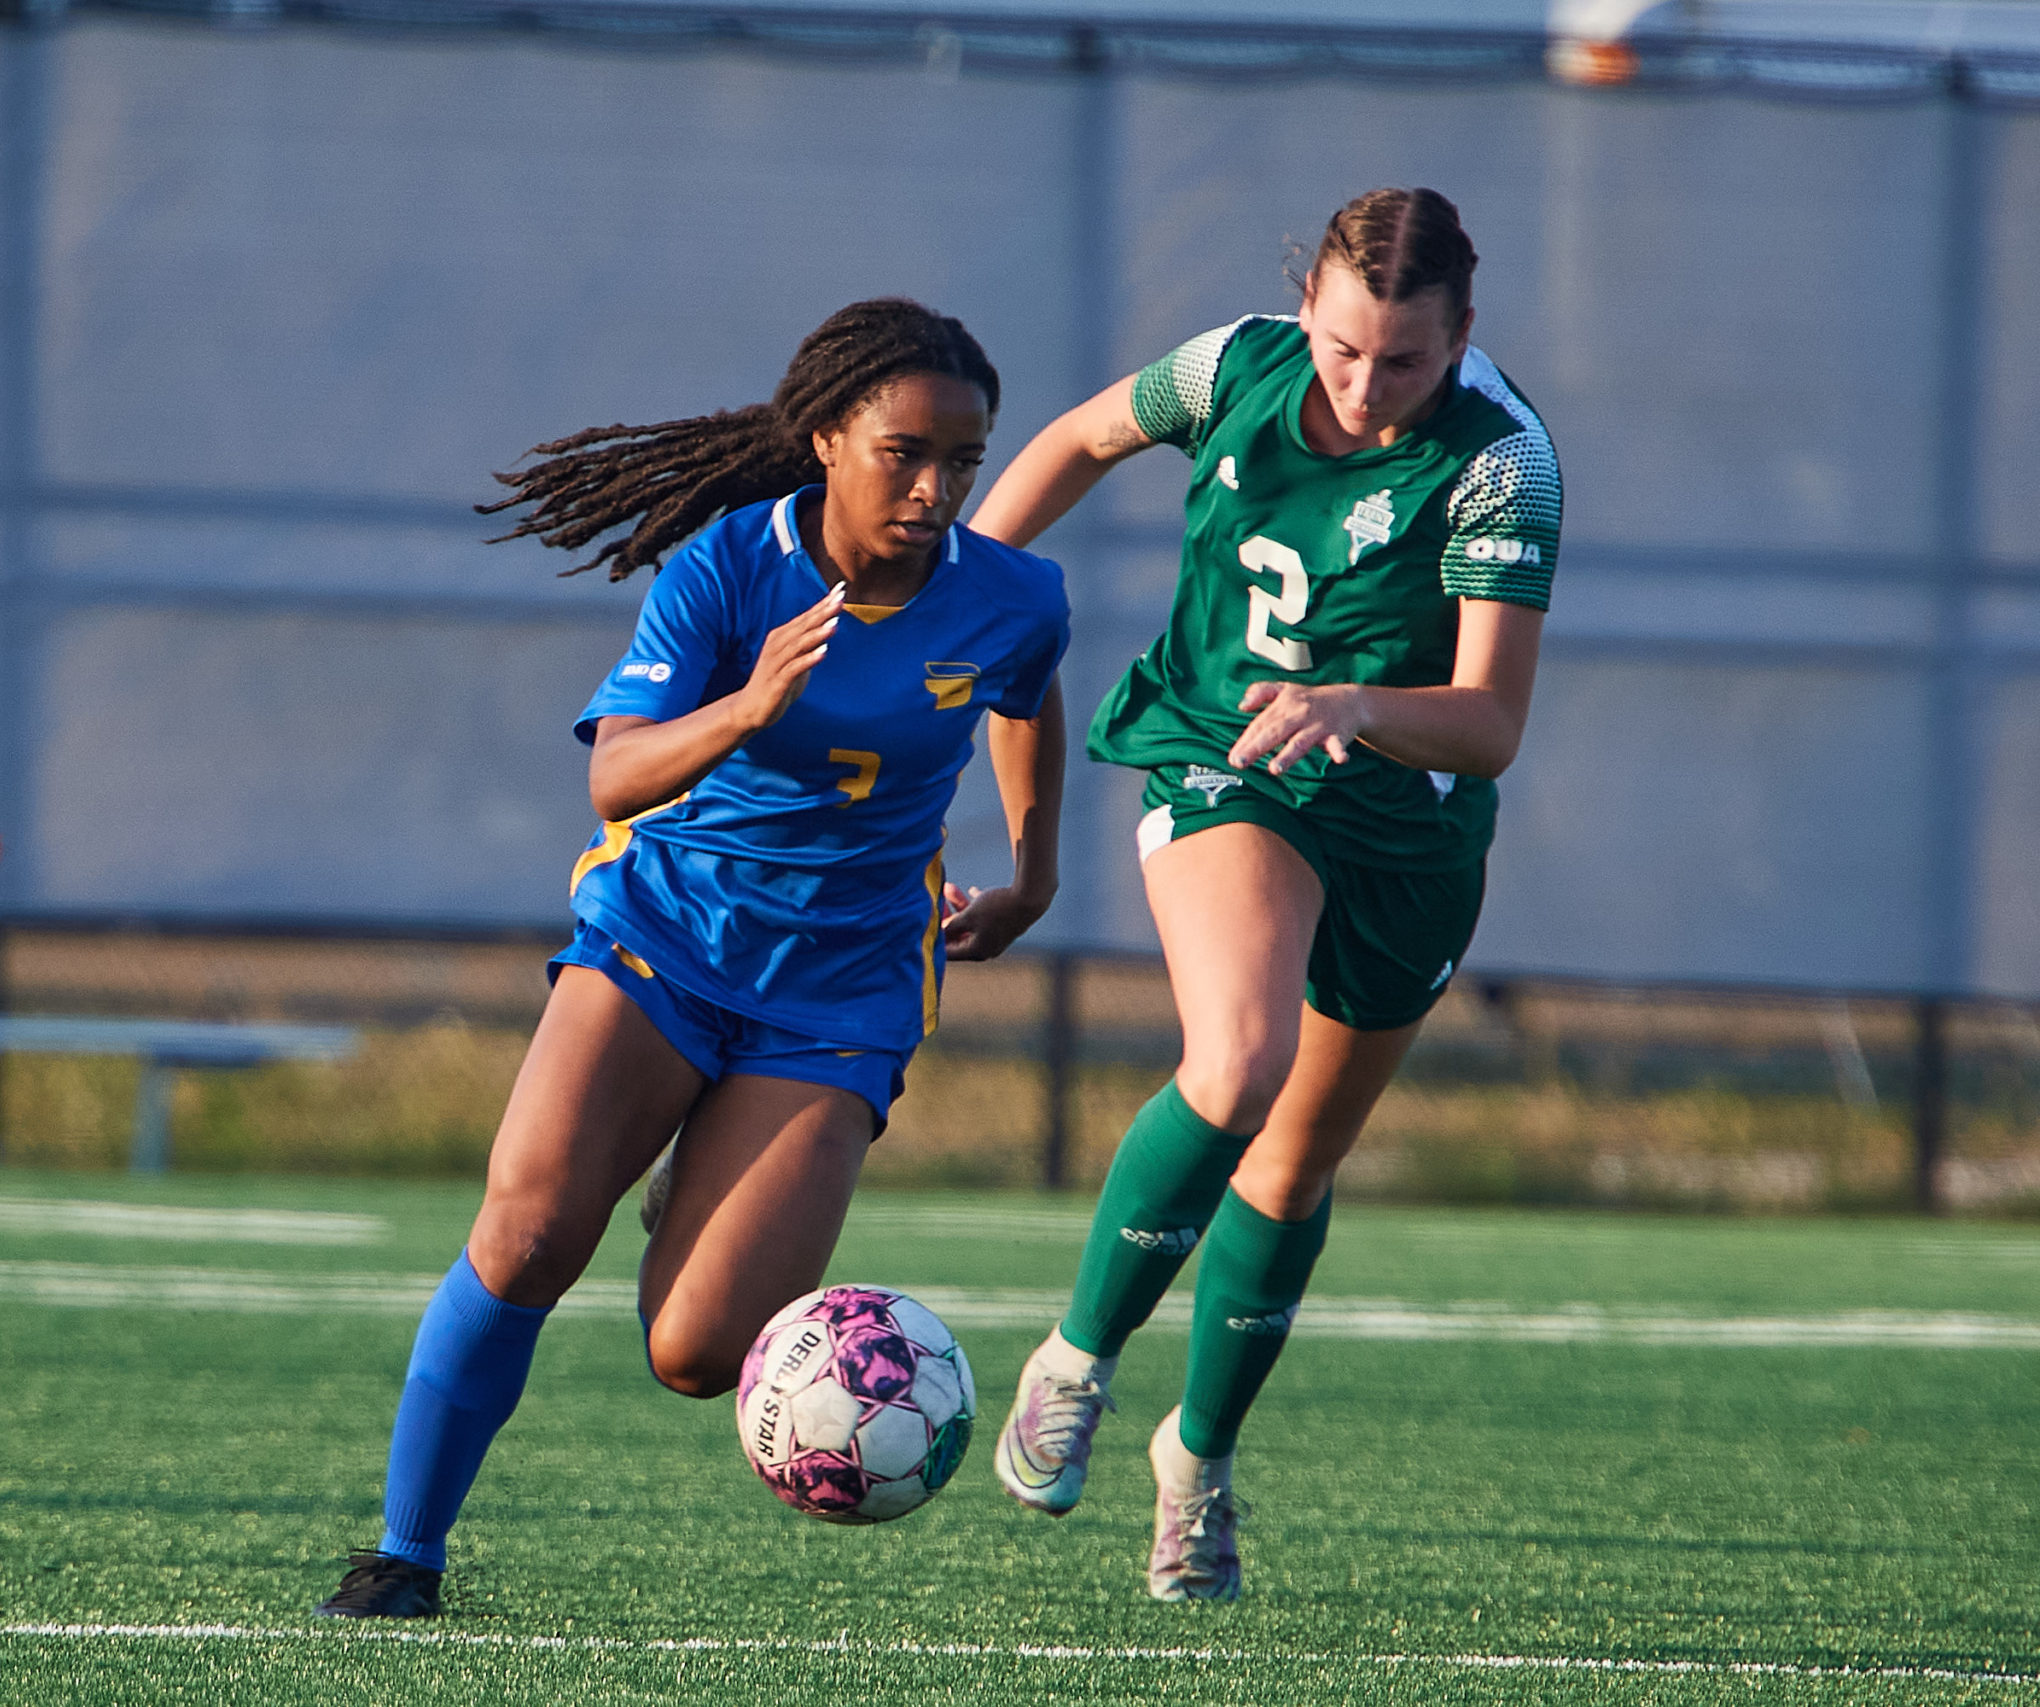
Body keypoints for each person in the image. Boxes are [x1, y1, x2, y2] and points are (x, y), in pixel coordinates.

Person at [319, 299, 1071, 1620]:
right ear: (828, 435)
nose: (938, 485)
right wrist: (748, 705)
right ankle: (403, 1554)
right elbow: (615, 770)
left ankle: (695, 1168)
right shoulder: (731, 568)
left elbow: (1024, 686)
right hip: (665, 941)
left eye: (965, 457)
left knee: (699, 1350)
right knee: (531, 1232)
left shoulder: (1010, 591)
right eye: (905, 451)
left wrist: (1036, 866)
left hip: (839, 992)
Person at [975, 189, 1560, 1601]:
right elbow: (1072, 438)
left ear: (1463, 334)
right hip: (1220, 754)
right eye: (1345, 349)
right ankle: (1075, 1356)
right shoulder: (1232, 363)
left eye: (1405, 361)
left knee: (1296, 1165)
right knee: (1237, 1060)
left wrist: (1357, 701)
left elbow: (1488, 724)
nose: (1366, 389)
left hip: (1406, 831)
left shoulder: (1505, 463)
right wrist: (969, 584)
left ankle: (1198, 1460)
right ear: (1306, 306)